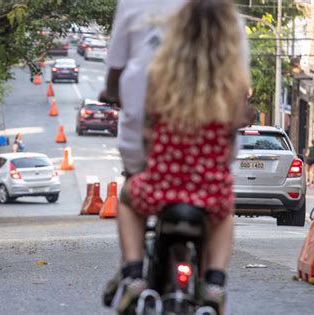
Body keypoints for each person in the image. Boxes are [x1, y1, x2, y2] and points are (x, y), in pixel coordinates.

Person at [100, 0, 254, 313]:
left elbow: (147, 131)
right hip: (209, 191)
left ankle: (133, 275)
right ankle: (215, 284)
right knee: (224, 215)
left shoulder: (161, 82)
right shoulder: (227, 90)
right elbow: (234, 133)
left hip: (160, 185)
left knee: (128, 199)